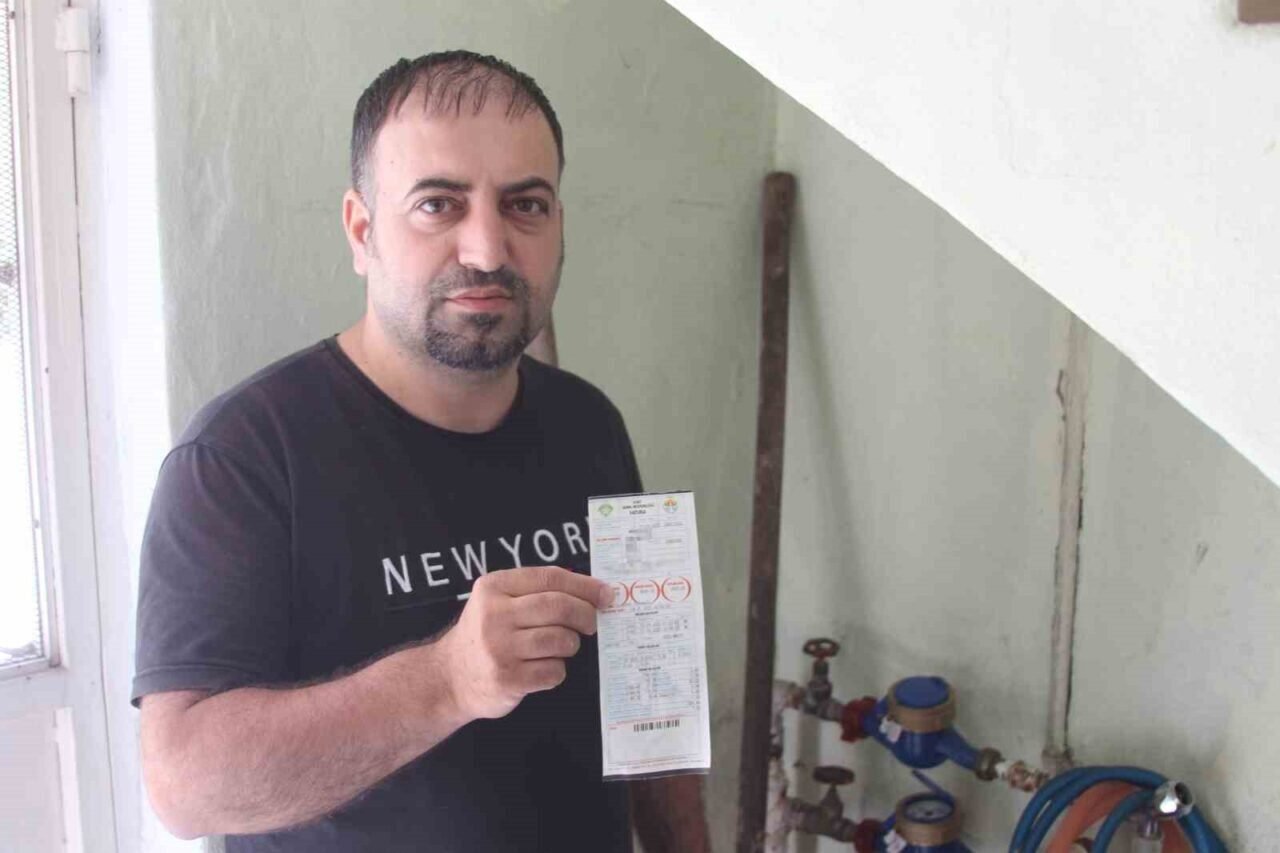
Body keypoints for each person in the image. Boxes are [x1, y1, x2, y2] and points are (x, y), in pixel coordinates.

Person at [133, 51, 710, 852]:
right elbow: (187, 787)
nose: (488, 249)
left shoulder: (591, 425)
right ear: (362, 230)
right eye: (439, 204)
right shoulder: (242, 458)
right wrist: (446, 680)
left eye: (526, 205)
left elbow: (656, 692)